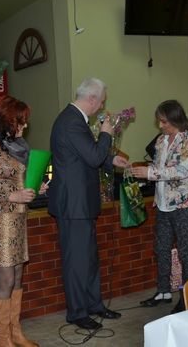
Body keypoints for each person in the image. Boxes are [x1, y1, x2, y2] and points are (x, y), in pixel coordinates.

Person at [49, 78, 129, 331]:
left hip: (81, 204)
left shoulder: (75, 119)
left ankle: (94, 304)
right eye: (102, 101)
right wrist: (106, 133)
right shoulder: (72, 121)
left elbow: (84, 154)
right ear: (92, 99)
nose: (102, 106)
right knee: (77, 262)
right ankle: (77, 312)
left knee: (89, 259)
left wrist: (111, 159)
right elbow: (93, 156)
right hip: (73, 205)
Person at [0, 96, 47, 347]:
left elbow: (15, 179)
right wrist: (12, 195)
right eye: (21, 121)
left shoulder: (15, 145)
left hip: (17, 220)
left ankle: (16, 333)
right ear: (7, 120)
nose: (25, 126)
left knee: (17, 277)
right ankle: (3, 339)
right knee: (6, 280)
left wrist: (34, 186)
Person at [131, 99, 188, 314]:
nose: (160, 126)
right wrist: (139, 169)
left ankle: (187, 297)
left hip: (183, 205)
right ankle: (163, 291)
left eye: (164, 121)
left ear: (175, 119)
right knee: (161, 249)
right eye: (159, 121)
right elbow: (159, 167)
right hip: (162, 205)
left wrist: (150, 173)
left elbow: (182, 170)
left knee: (185, 253)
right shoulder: (161, 141)